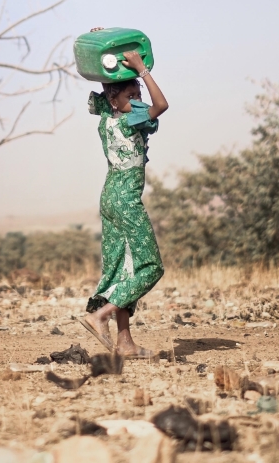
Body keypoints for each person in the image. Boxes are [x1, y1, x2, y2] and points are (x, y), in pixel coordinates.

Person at [77, 48, 169, 359]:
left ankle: (125, 342)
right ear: (117, 100)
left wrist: (105, 53)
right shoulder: (132, 120)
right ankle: (99, 316)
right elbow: (163, 105)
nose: (138, 95)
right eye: (131, 93)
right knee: (150, 267)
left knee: (121, 268)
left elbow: (107, 88)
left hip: (109, 195)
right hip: (126, 198)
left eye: (138, 90)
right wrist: (142, 69)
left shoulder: (107, 115)